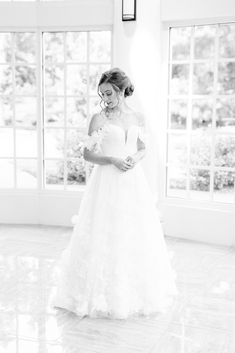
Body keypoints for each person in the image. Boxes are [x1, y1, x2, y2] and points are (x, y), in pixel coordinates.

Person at [51, 67, 178, 320]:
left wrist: (134, 158)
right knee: (104, 230)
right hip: (107, 181)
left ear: (121, 90)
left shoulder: (137, 117)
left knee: (133, 232)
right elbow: (87, 154)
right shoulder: (99, 119)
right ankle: (95, 293)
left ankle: (131, 292)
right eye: (102, 94)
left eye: (109, 93)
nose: (105, 98)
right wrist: (111, 159)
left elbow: (143, 148)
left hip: (132, 181)